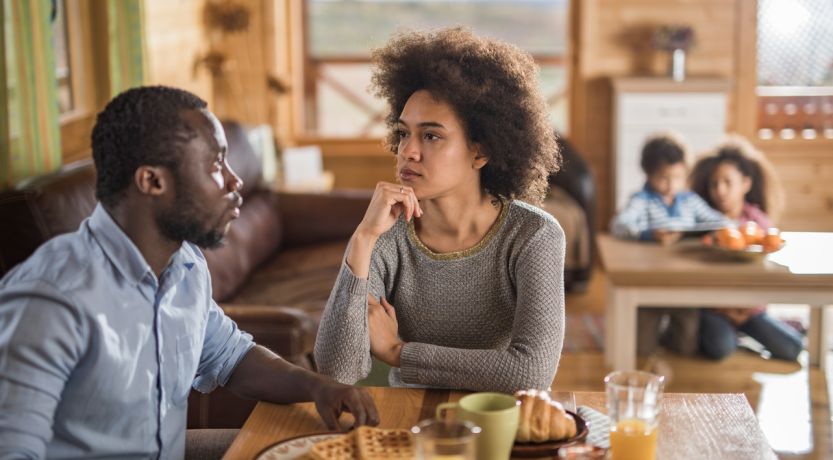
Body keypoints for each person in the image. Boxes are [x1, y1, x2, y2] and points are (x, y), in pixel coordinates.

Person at [0, 86, 378, 459]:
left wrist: (318, 387)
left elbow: (232, 356)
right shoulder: (51, 301)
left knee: (331, 451)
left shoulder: (185, 264)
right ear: (152, 181)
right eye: (216, 165)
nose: (235, 181)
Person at [313, 27, 565, 393]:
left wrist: (400, 352)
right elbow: (337, 371)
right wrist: (363, 238)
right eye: (403, 133)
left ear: (480, 151)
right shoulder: (387, 234)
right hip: (408, 423)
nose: (408, 152)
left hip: (499, 424)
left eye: (431, 136)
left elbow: (530, 372)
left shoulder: (533, 236)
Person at [609, 133, 728, 358]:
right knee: (641, 349)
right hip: (648, 282)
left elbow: (721, 222)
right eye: (663, 178)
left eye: (677, 177)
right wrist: (647, 234)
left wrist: (700, 234)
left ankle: (667, 334)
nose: (671, 185)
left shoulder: (690, 201)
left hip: (685, 283)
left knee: (686, 346)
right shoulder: (642, 200)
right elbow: (619, 225)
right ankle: (653, 330)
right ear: (649, 174)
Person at [690, 135, 803, 361]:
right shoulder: (703, 223)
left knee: (792, 348)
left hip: (749, 310)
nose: (720, 190)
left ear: (745, 184)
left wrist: (743, 310)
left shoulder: (759, 223)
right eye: (714, 184)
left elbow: (769, 268)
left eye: (727, 182)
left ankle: (743, 331)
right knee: (721, 347)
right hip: (713, 308)